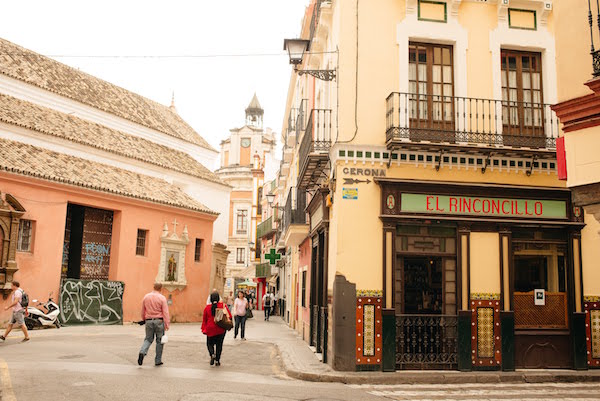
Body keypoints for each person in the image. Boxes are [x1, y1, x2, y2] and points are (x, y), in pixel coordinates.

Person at [138, 283, 170, 366]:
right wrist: (167, 324)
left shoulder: (146, 297)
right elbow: (165, 312)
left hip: (148, 320)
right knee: (160, 341)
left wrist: (143, 319)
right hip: (159, 321)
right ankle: (157, 360)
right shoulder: (162, 298)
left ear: (153, 287)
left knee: (148, 339)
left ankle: (142, 352)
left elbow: (143, 310)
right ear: (161, 288)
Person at [202, 291, 232, 366]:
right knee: (219, 345)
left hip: (210, 329)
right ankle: (217, 360)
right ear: (218, 298)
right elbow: (229, 316)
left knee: (209, 344)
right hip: (220, 329)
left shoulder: (207, 308)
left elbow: (204, 320)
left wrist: (204, 329)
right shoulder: (222, 306)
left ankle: (212, 354)